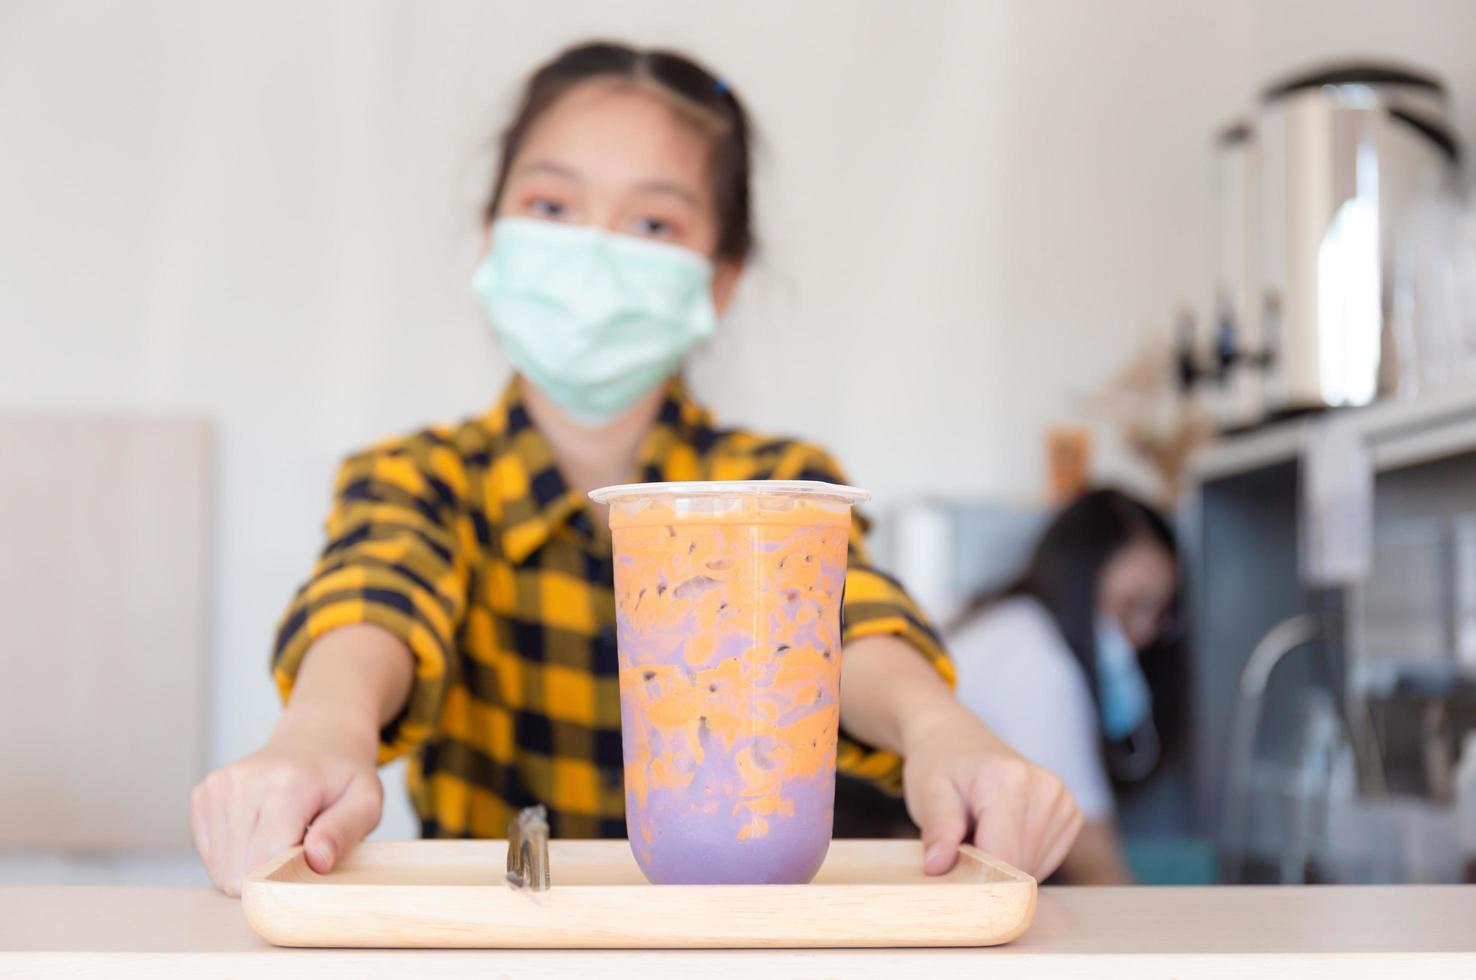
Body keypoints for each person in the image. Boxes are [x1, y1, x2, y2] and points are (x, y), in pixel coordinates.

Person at [190, 40, 1081, 896]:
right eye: (551, 206)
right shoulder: (418, 477)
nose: (595, 251)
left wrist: (939, 730)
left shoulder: (774, 478)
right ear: (492, 236)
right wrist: (321, 728)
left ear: (719, 278)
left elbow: (847, 628)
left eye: (653, 221)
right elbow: (376, 594)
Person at [950, 488, 1182, 884]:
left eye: (1158, 613)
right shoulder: (1033, 659)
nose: (1142, 633)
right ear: (1079, 583)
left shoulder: (1011, 627)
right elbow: (1095, 863)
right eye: (1131, 606)